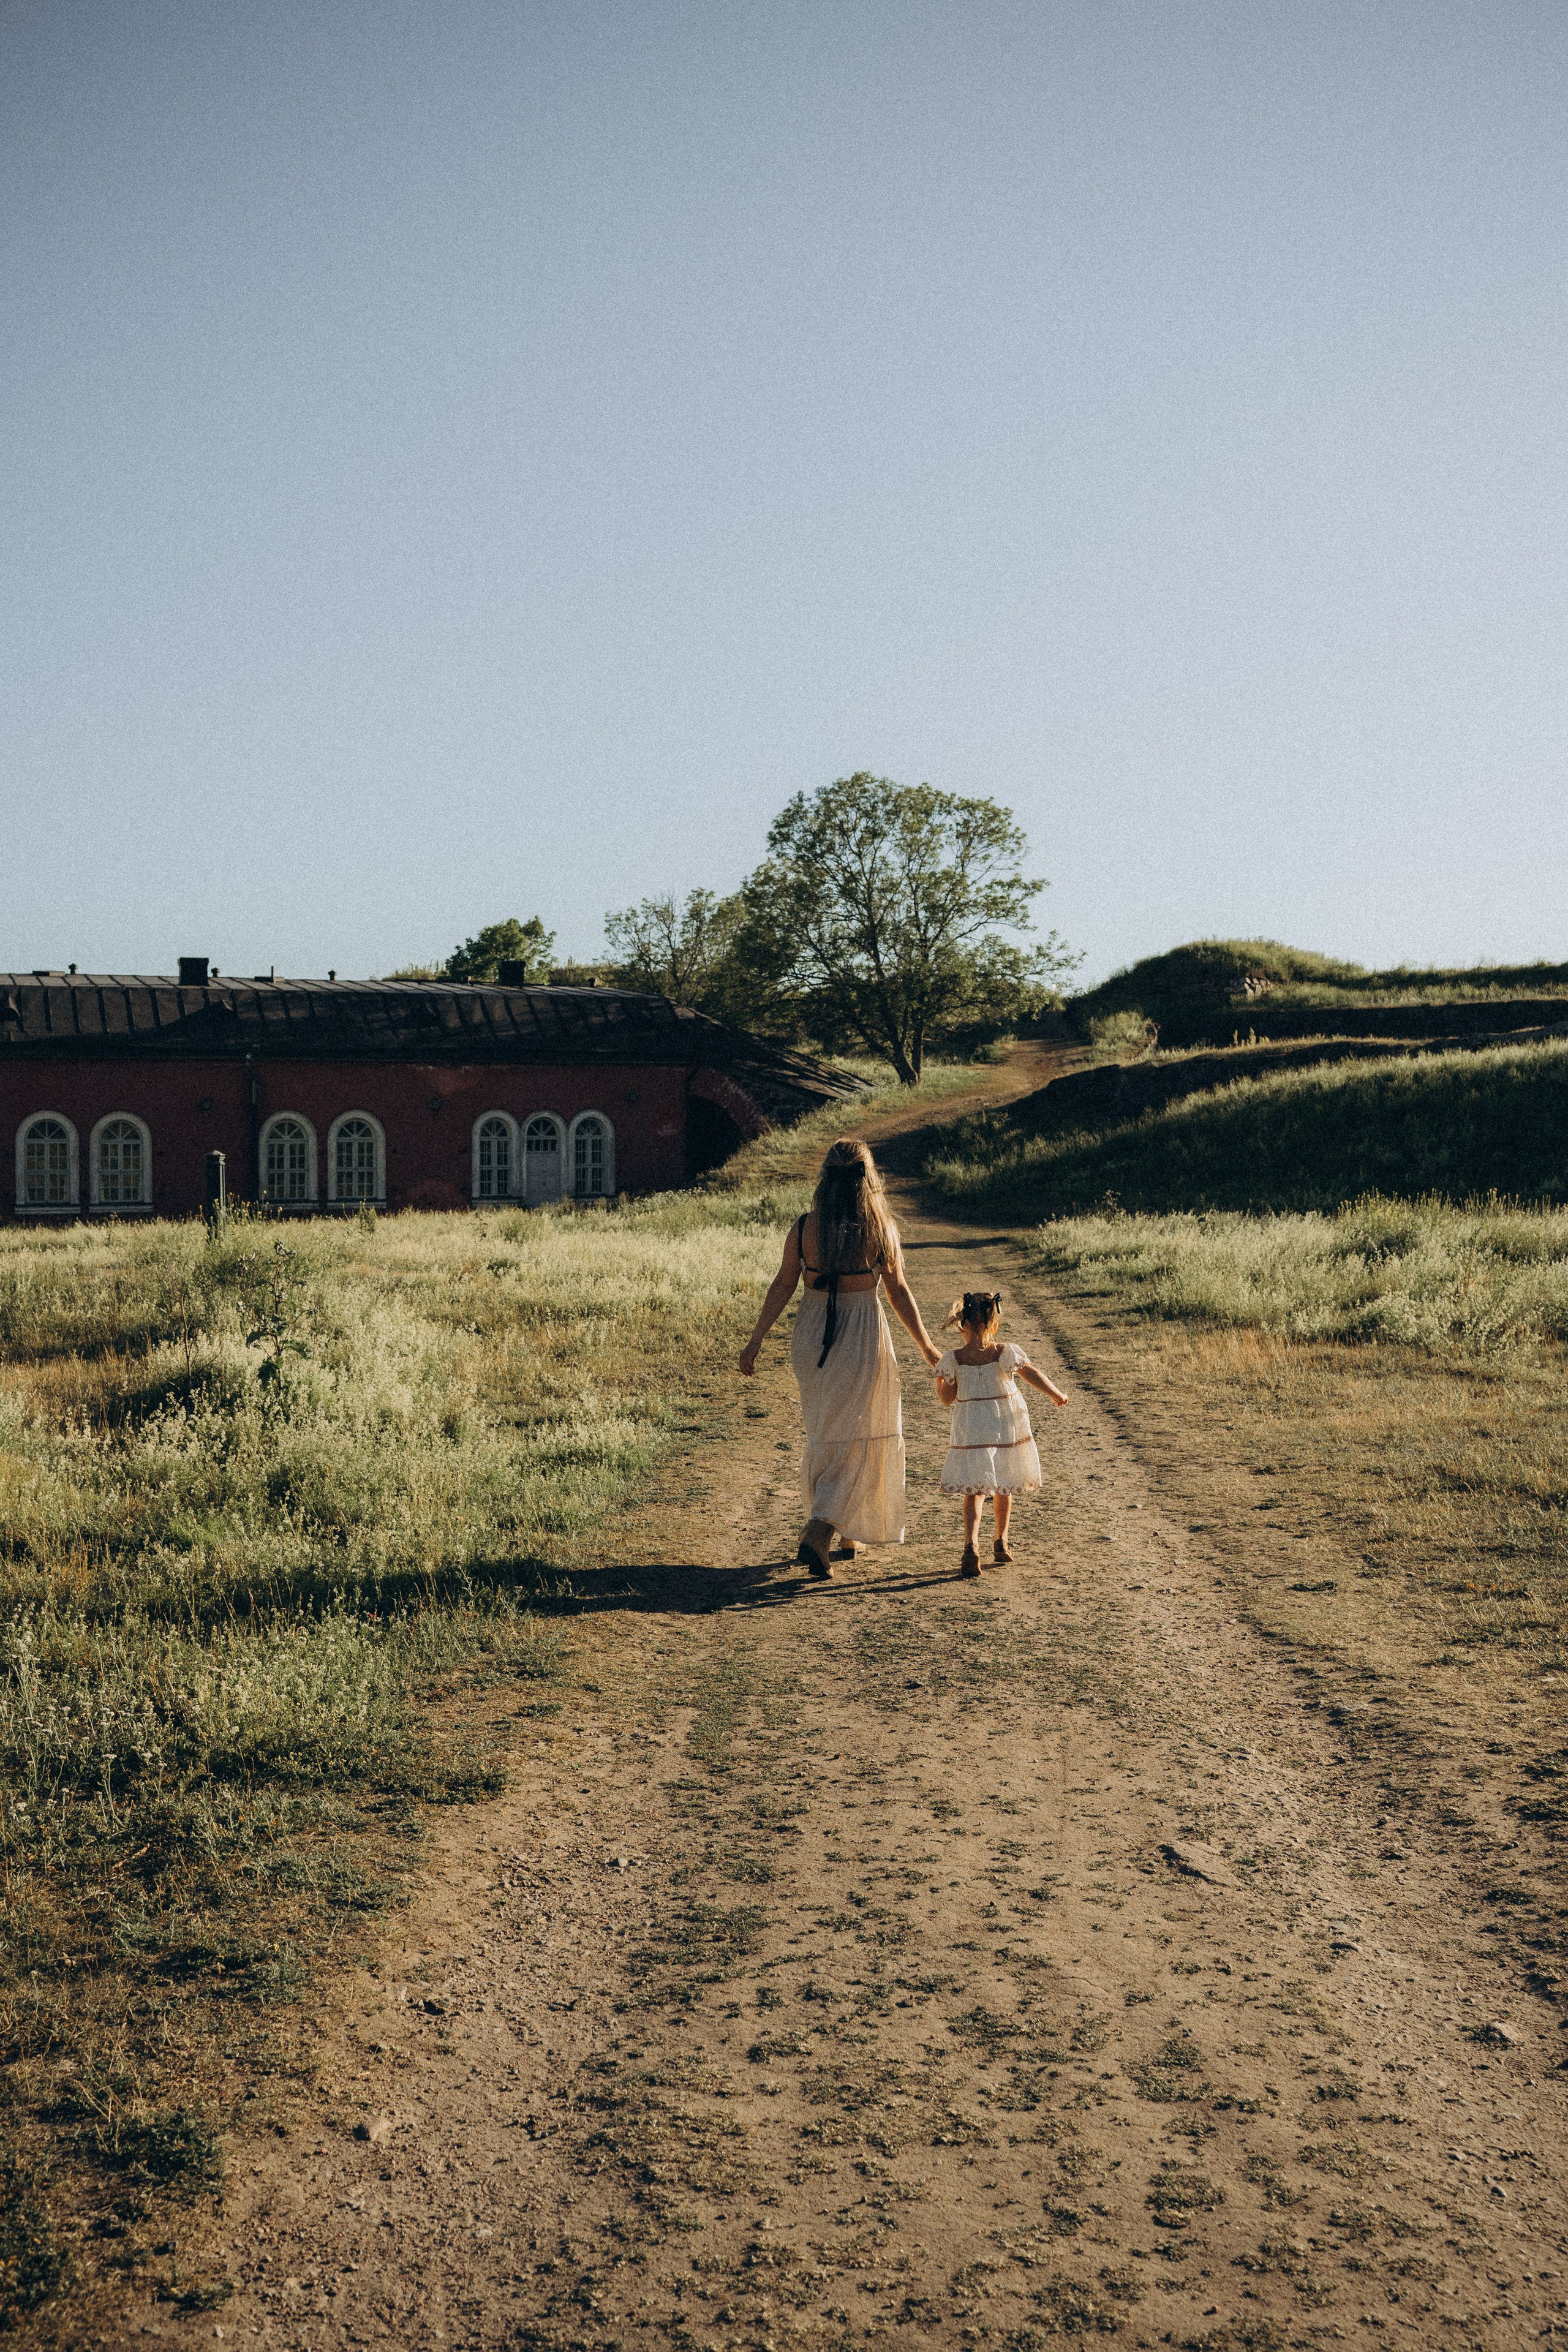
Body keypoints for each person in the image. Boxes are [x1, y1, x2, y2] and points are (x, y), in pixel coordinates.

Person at [738, 1137, 942, 1577]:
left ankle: (844, 1533)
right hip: (860, 1333)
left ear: (825, 1178)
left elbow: (782, 1285)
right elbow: (898, 1291)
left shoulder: (805, 1227)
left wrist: (756, 1339)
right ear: (868, 1179)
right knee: (862, 1431)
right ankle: (820, 1528)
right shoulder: (880, 1229)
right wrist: (927, 1346)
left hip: (811, 1336)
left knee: (829, 1431)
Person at [935, 1290, 1067, 1578]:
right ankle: (1001, 1541)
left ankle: (971, 1545)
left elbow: (946, 1398)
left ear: (962, 1325)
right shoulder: (1004, 1352)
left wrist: (946, 1380)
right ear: (994, 1325)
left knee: (975, 1490)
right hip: (1002, 1424)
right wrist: (1056, 1394)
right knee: (1003, 1484)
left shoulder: (953, 1358)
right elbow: (1030, 1373)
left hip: (972, 1430)